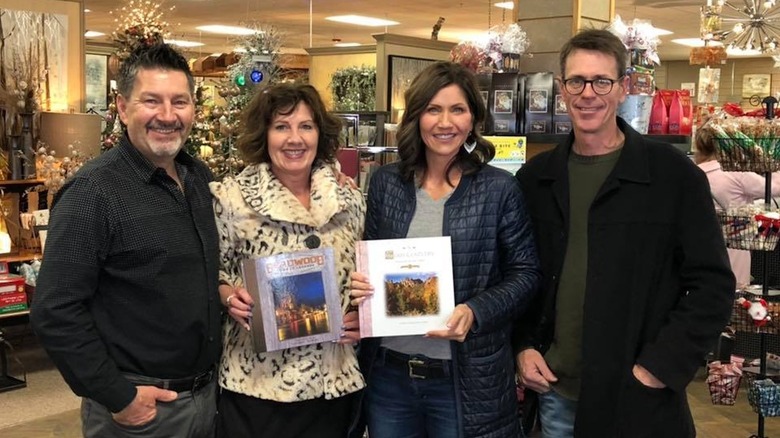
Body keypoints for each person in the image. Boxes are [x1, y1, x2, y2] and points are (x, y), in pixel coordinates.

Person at [513, 29, 735, 437]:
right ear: (561, 89)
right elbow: (522, 277)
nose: (588, 94)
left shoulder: (672, 176)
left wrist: (658, 368)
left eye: (602, 81)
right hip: (555, 394)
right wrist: (523, 346)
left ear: (624, 87)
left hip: (638, 399)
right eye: (577, 81)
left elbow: (713, 285)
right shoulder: (535, 180)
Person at [30, 43, 220, 437]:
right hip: (141, 411)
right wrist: (118, 396)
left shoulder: (200, 178)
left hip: (209, 398)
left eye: (179, 102)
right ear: (122, 107)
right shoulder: (93, 193)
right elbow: (55, 310)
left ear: (193, 108)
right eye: (151, 101)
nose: (167, 116)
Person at [349, 61, 541, 438]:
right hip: (389, 375)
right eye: (433, 109)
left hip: (465, 378)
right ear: (416, 117)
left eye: (457, 109)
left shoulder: (499, 189)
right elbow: (368, 260)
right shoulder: (387, 183)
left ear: (473, 119)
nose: (445, 122)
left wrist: (476, 311)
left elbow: (526, 273)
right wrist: (360, 287)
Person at [211, 83, 366, 438]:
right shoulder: (230, 198)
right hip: (259, 386)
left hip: (333, 383)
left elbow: (365, 274)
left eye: (306, 126)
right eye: (281, 126)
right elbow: (211, 272)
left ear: (319, 134)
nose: (295, 139)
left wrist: (364, 316)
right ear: (264, 134)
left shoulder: (350, 199)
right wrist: (229, 296)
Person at [694, 124, 780, 288]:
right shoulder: (735, 173)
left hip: (699, 247)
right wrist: (772, 160)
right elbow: (775, 187)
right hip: (734, 246)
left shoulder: (692, 172)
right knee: (734, 291)